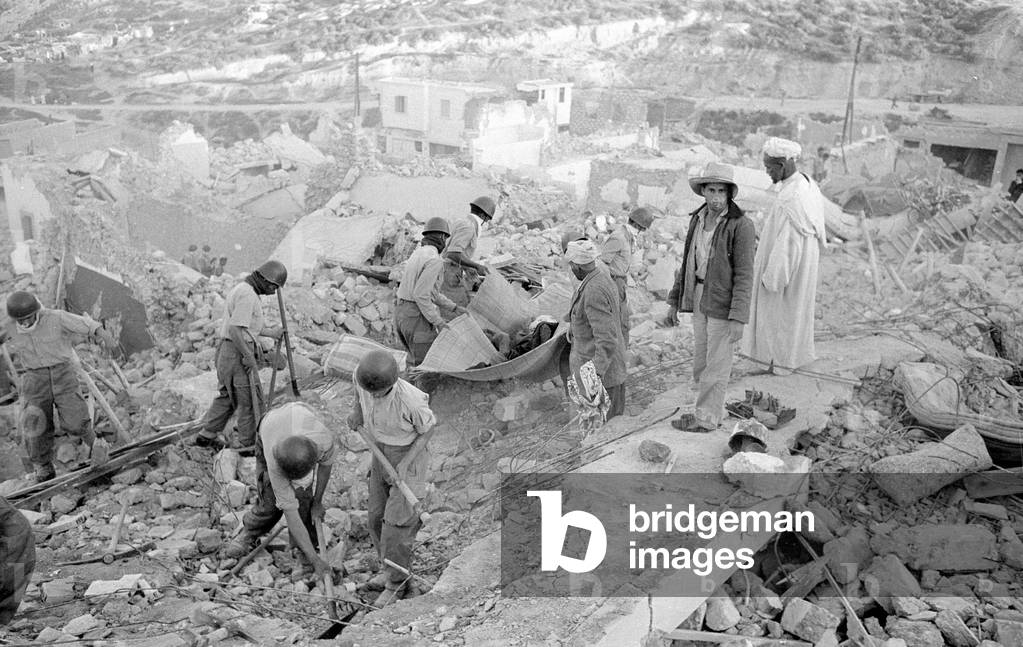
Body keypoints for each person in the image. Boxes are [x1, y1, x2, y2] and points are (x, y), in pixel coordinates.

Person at [664, 162, 756, 432]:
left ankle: (706, 419)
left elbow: (744, 275)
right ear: (703, 191)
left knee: (718, 362)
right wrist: (674, 300)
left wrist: (738, 317)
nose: (716, 197)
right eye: (711, 190)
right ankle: (705, 408)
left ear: (729, 194)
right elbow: (687, 263)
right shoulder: (698, 220)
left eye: (721, 191)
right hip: (699, 293)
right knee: (702, 358)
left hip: (722, 300)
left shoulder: (741, 225)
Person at [347, 350, 436, 607]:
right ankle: (391, 569)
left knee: (396, 526)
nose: (374, 397)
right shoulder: (363, 378)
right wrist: (357, 413)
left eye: (379, 393)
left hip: (409, 455)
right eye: (371, 392)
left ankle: (397, 584)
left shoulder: (411, 401)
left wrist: (406, 463)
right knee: (375, 518)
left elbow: (428, 430)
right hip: (381, 451)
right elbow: (359, 393)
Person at [1, 291, 119, 482]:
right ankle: (44, 468)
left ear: (36, 312)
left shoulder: (55, 318)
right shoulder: (10, 326)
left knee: (76, 420)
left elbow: (86, 324)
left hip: (63, 374)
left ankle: (100, 449)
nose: (24, 323)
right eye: (20, 320)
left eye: (28, 318)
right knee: (35, 424)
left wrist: (105, 336)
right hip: (34, 379)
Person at [742, 137, 828, 374]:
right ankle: (788, 359)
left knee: (779, 314)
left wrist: (773, 277)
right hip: (805, 265)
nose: (767, 172)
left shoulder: (792, 197)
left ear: (782, 165)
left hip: (789, 268)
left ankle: (776, 364)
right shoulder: (807, 183)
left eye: (769, 167)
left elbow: (788, 244)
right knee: (793, 313)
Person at [224, 400, 335, 581]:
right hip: (270, 426)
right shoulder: (275, 461)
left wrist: (318, 501)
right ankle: (250, 532)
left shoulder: (323, 440)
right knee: (270, 499)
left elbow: (325, 467)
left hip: (298, 418)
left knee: (303, 499)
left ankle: (305, 553)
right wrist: (318, 561)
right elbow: (290, 514)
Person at [195, 260, 286, 452]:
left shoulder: (243, 289)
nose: (273, 293)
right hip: (236, 353)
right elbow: (235, 329)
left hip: (228, 350)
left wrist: (272, 333)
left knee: (228, 397)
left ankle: (207, 434)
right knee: (249, 402)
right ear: (266, 281)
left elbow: (247, 326)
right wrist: (249, 356)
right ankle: (247, 445)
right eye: (273, 288)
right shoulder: (248, 295)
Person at [564, 240, 627, 422]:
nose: (571, 270)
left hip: (603, 378)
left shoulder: (593, 290)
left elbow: (606, 339)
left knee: (604, 429)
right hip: (605, 372)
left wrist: (594, 375)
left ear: (577, 266)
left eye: (572, 266)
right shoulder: (600, 277)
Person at [394, 217, 466, 365]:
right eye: (446, 239)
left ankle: (407, 380)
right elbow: (421, 295)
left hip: (401, 313)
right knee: (426, 366)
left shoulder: (418, 253)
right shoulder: (434, 260)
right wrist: (438, 321)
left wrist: (453, 307)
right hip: (415, 317)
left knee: (413, 362)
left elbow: (430, 292)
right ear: (442, 237)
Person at [601, 207, 655, 347]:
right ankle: (618, 349)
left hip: (620, 281)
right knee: (617, 319)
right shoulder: (618, 237)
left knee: (623, 320)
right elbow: (602, 263)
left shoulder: (628, 237)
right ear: (636, 224)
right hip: (612, 281)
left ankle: (622, 349)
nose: (641, 231)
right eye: (641, 228)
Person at [442, 196, 496, 307]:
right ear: (482, 215)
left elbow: (451, 252)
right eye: (486, 220)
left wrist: (467, 267)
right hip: (448, 273)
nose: (485, 222)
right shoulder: (469, 227)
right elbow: (453, 254)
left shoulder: (461, 222)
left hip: (445, 269)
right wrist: (477, 266)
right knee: (456, 308)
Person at [0, 497, 35, 624]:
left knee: (13, 573)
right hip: (14, 531)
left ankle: (3, 618)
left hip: (13, 534)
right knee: (15, 573)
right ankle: (3, 618)